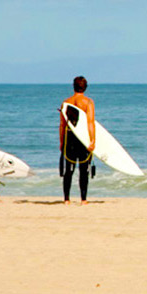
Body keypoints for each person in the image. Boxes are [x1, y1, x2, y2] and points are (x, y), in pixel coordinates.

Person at [59, 76, 97, 205]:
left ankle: (66, 199)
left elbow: (62, 125)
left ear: (73, 86)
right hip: (83, 139)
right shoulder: (88, 102)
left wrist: (61, 142)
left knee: (68, 170)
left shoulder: (66, 102)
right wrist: (92, 141)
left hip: (69, 137)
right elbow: (90, 123)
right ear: (85, 87)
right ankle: (83, 199)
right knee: (83, 169)